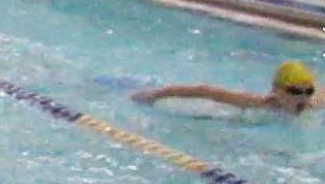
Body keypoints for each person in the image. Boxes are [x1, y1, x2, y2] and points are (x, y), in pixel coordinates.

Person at [131, 60, 322, 116]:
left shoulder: (313, 106)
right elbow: (204, 91)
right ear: (276, 91)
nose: (302, 98)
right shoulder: (257, 104)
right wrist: (156, 94)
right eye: (295, 91)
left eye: (308, 91)